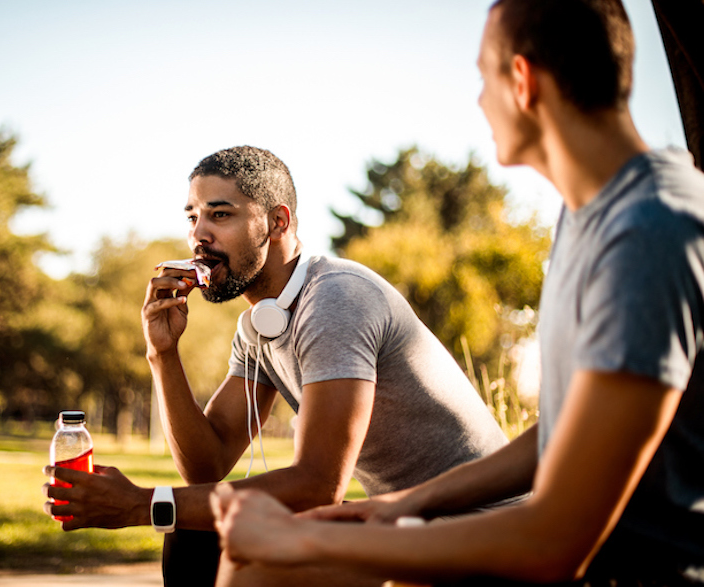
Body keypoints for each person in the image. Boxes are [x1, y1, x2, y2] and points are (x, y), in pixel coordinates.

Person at [211, 1, 704, 585]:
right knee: (262, 565)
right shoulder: (590, 217)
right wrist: (403, 504)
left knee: (265, 568)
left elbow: (554, 542)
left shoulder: (650, 230)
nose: (479, 100)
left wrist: (299, 536)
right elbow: (562, 433)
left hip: (621, 573)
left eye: (483, 77)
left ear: (521, 80)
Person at [42, 145, 509, 587]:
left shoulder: (334, 299)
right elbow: (207, 466)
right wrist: (162, 354)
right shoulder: (259, 327)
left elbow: (317, 485)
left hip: (480, 532)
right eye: (192, 217)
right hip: (408, 523)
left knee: (202, 533)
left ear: (277, 222)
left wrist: (141, 504)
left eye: (220, 215)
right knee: (197, 534)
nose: (199, 235)